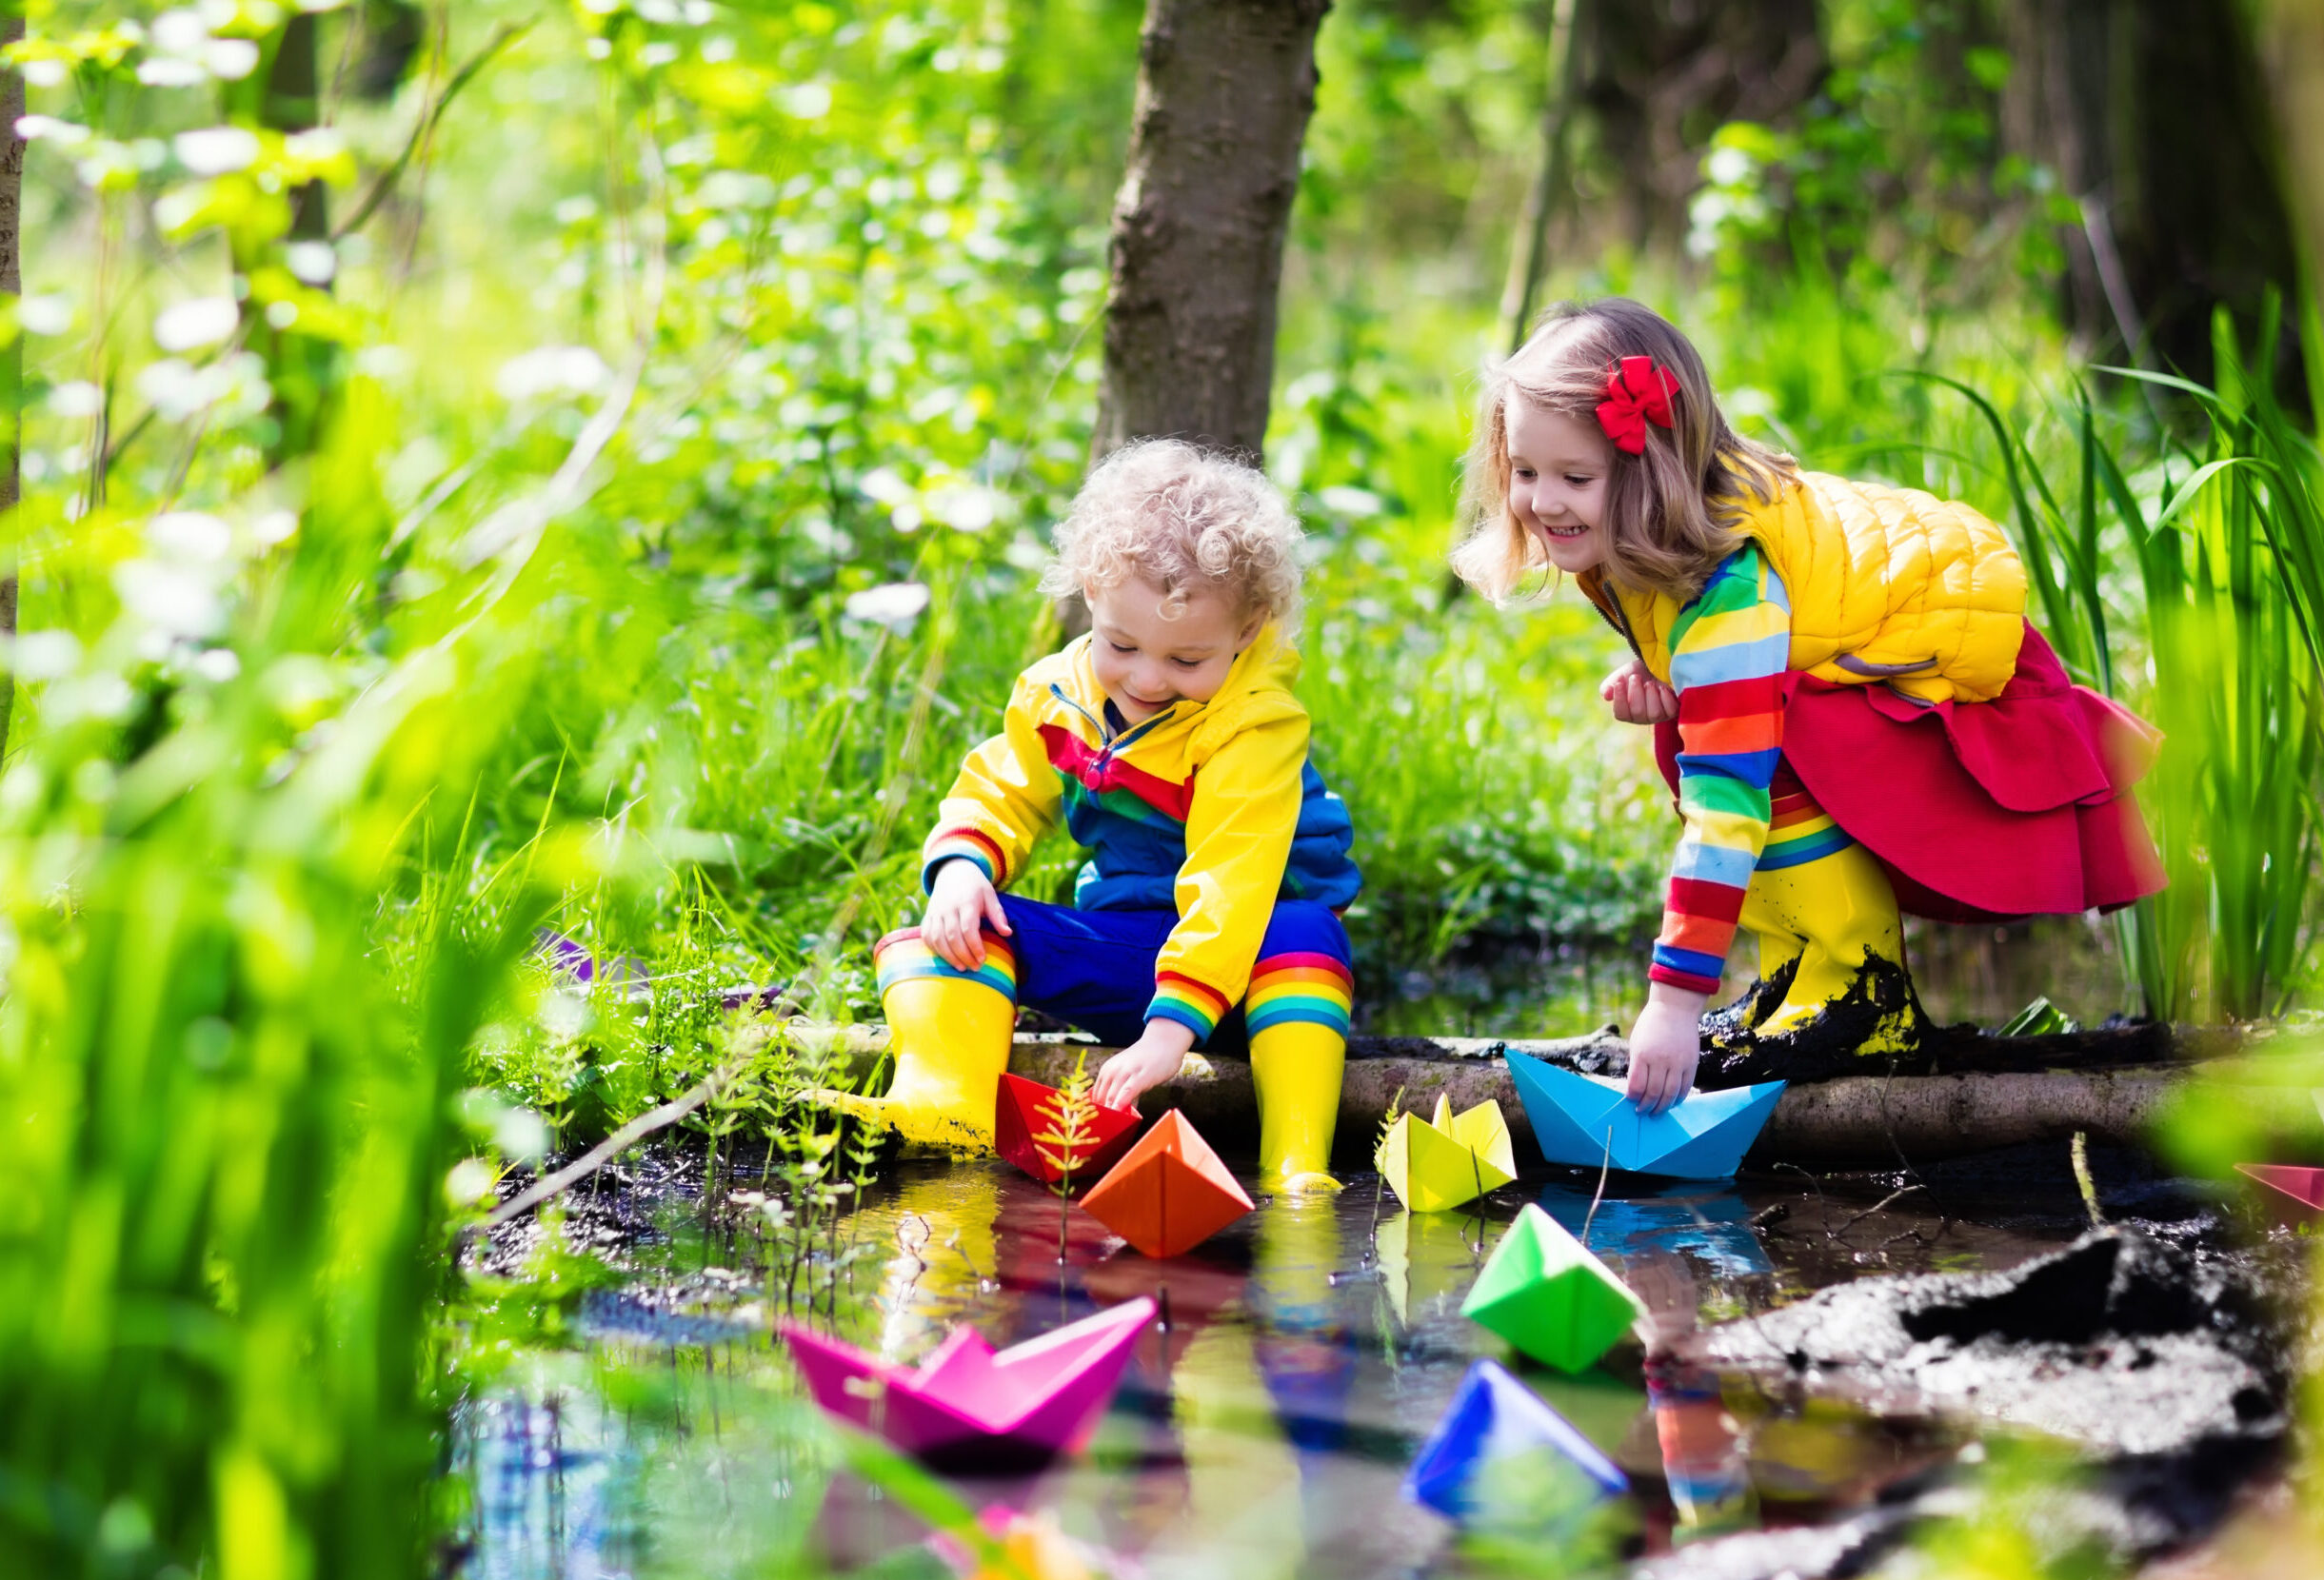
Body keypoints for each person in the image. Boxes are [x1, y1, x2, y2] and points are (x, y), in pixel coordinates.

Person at [1454, 297, 2162, 1110]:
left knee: (1756, 753)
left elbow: (1728, 805)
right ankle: (1796, 975)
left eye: (1574, 476)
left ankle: (1860, 991)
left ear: (1653, 473)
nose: (1543, 502)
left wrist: (1673, 1003)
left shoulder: (1731, 590)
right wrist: (1666, 680)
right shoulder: (1628, 535)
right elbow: (1696, 660)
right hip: (1834, 649)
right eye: (1525, 473)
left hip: (1931, 660)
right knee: (1705, 730)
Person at [874, 439, 1361, 1192]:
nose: (1146, 678)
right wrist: (964, 866)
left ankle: (1294, 1164)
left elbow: (1231, 886)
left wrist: (1170, 1034)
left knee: (1301, 926)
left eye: (1185, 660)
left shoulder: (1253, 724)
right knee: (961, 924)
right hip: (1135, 959)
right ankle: (942, 1112)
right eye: (1121, 643)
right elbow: (1001, 787)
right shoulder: (1055, 693)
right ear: (1090, 597)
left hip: (1253, 979)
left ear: (1249, 626)